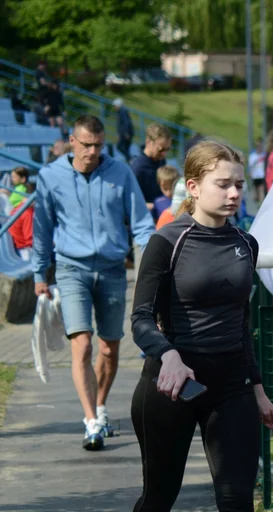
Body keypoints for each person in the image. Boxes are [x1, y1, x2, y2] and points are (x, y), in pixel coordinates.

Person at [124, 140, 273, 512]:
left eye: (240, 183)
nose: (236, 192)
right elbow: (139, 319)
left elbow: (242, 326)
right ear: (194, 187)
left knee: (237, 504)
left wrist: (259, 389)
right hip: (170, 387)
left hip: (231, 389)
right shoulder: (166, 241)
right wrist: (168, 354)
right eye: (224, 183)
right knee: (160, 496)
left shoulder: (246, 243)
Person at [32, 115, 155, 449]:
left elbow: (142, 225)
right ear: (72, 141)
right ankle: (90, 421)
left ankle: (100, 408)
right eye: (86, 145)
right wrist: (39, 274)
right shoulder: (50, 177)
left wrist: (152, 263)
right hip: (72, 269)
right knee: (82, 344)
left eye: (99, 146)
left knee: (109, 348)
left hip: (114, 269)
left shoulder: (120, 172)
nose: (92, 152)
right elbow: (41, 229)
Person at [130, 123, 174, 217]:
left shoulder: (161, 161)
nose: (164, 154)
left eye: (167, 149)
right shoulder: (138, 168)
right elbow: (131, 203)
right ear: (149, 142)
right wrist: (157, 206)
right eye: (161, 149)